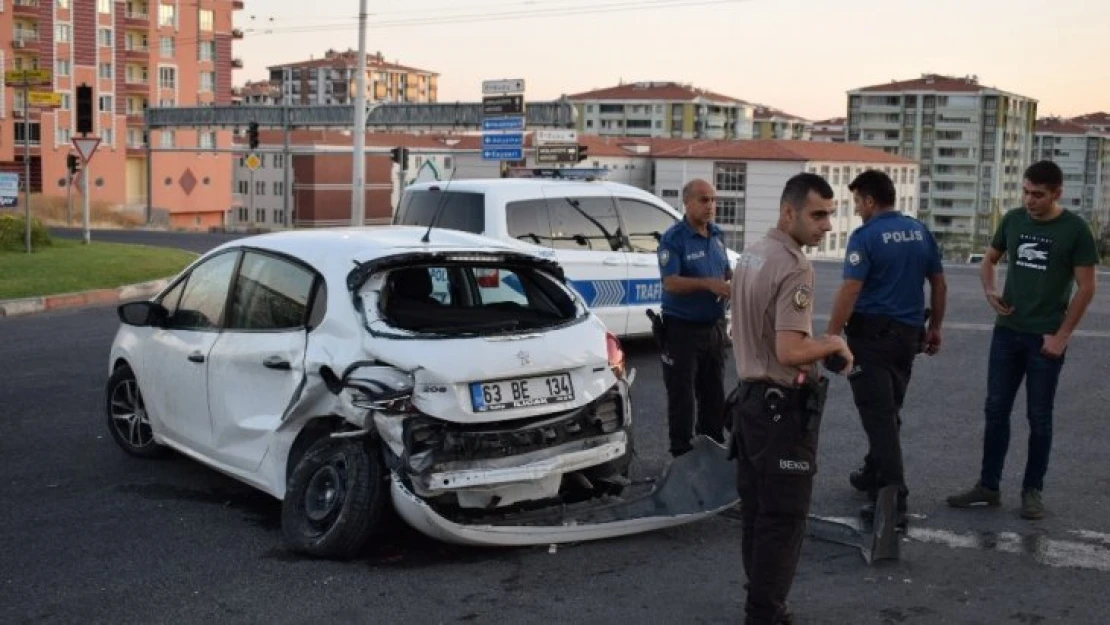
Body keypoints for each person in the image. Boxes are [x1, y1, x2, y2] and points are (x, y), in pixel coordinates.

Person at [728, 172, 853, 625]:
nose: (826, 225)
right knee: (783, 520)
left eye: (830, 215)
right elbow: (790, 351)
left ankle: (761, 603)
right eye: (817, 214)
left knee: (757, 515)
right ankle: (765, 613)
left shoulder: (751, 255)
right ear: (789, 211)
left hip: (748, 404)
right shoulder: (794, 265)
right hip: (780, 409)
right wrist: (833, 345)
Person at [947, 160, 1099, 520]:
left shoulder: (1075, 230)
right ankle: (988, 486)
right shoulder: (1014, 220)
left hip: (1044, 337)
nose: (1030, 200)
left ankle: (1032, 491)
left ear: (1057, 194)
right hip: (1007, 332)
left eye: (1039, 195)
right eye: (1027, 192)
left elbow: (1087, 287)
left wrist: (1061, 336)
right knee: (996, 411)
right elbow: (990, 259)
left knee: (1039, 417)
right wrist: (990, 290)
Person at [824, 169, 947, 522]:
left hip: (871, 338)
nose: (857, 209)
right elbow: (938, 284)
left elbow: (850, 289)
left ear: (869, 200)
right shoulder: (920, 232)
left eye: (857, 202)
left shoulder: (866, 237)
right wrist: (935, 326)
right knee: (889, 409)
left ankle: (894, 495)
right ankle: (871, 473)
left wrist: (832, 334)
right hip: (909, 337)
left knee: (878, 416)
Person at [656, 178, 732, 457]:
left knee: (714, 393)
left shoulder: (718, 234)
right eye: (703, 200)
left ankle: (711, 447)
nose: (710, 205)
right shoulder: (674, 238)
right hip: (681, 330)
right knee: (682, 397)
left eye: (713, 199)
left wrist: (735, 284)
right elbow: (671, 282)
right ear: (686, 203)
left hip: (713, 327)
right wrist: (708, 285)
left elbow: (725, 272)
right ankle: (681, 454)